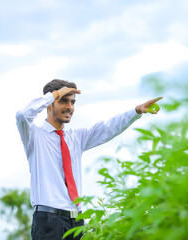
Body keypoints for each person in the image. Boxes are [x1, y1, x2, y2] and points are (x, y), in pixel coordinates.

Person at [16, 79, 162, 240]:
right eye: (63, 101)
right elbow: (23, 114)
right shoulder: (34, 136)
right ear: (49, 104)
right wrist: (54, 94)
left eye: (72, 102)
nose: (69, 107)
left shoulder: (76, 138)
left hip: (76, 222)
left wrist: (136, 111)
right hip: (48, 221)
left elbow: (107, 128)